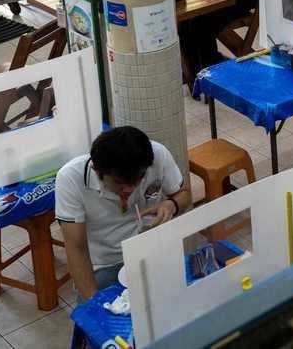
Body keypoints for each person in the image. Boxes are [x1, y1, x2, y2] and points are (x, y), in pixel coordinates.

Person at [55, 126, 191, 302]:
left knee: (181, 304)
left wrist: (171, 204)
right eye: (119, 182)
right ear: (98, 171)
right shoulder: (70, 178)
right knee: (95, 321)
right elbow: (76, 249)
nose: (129, 189)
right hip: (104, 266)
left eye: (137, 180)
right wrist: (95, 304)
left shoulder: (157, 155)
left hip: (152, 253)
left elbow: (185, 195)